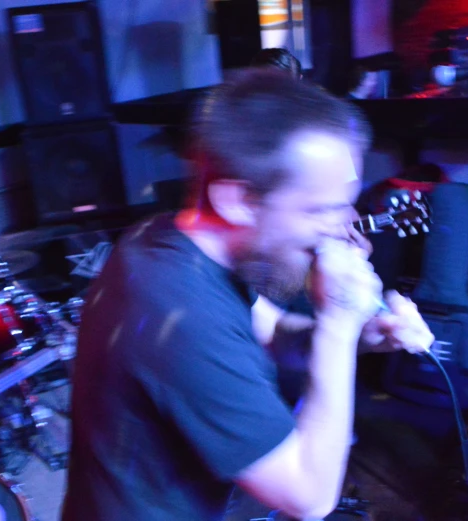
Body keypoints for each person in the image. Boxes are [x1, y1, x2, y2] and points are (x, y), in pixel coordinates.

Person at [62, 69, 434, 521]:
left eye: (346, 204)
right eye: (322, 209)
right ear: (237, 201)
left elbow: (272, 331)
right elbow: (309, 496)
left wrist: (363, 333)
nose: (342, 227)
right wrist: (338, 322)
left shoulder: (170, 238)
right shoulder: (180, 313)